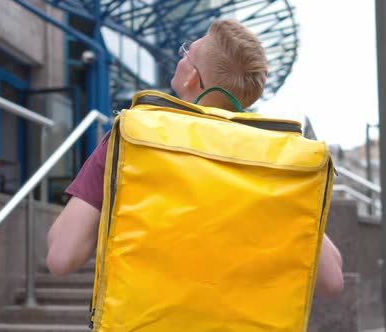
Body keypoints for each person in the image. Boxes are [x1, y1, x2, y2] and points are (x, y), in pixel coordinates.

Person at [47, 19, 344, 298]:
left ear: (191, 76)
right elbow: (332, 280)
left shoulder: (132, 138)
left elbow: (62, 257)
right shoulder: (273, 162)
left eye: (187, 52)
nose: (182, 55)